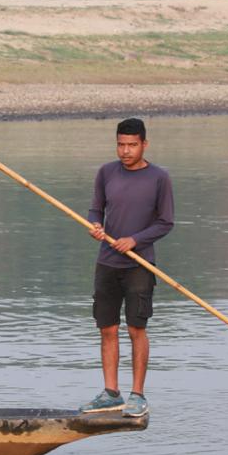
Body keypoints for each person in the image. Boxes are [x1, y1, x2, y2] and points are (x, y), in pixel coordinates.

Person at [81, 119, 174, 418]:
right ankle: (110, 393)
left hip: (140, 264)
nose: (125, 150)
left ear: (144, 144)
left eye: (132, 145)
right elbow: (97, 208)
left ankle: (137, 395)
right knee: (107, 328)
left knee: (137, 329)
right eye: (121, 144)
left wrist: (135, 240)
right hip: (106, 262)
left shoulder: (159, 177)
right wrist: (95, 225)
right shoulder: (106, 172)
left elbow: (165, 222)